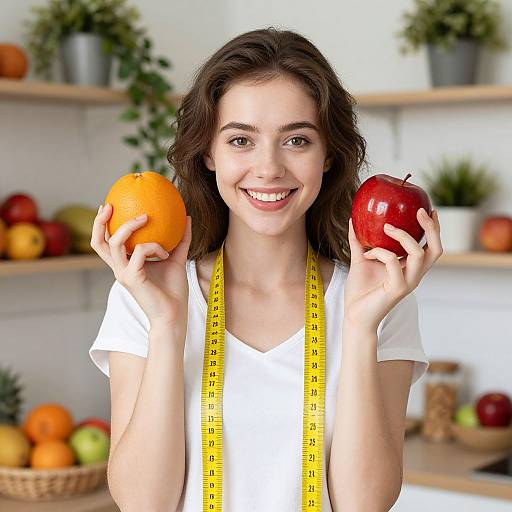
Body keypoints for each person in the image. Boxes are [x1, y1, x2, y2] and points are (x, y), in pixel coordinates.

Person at [88, 27, 443, 512]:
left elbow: (366, 504)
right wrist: (168, 326)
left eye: (296, 139)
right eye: (241, 140)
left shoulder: (380, 299)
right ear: (208, 153)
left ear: (329, 155)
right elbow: (142, 503)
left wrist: (360, 327)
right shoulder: (143, 295)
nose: (268, 168)